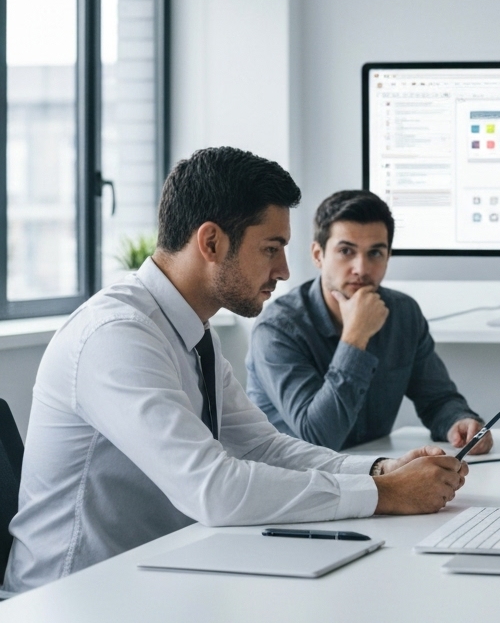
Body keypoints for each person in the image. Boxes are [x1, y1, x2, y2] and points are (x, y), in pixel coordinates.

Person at [4, 148, 468, 594]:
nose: (284, 270)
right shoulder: (117, 336)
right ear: (210, 242)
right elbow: (215, 489)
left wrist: (381, 468)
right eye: (271, 248)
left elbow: (263, 447)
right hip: (70, 602)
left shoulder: (191, 331)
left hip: (152, 575)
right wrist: (383, 494)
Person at [246, 190, 490, 455]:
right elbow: (318, 439)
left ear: (388, 257)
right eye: (346, 251)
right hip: (294, 482)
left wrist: (459, 420)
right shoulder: (277, 329)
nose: (361, 268)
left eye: (375, 253)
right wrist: (355, 337)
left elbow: (437, 398)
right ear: (318, 255)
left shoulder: (403, 313)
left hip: (372, 474)